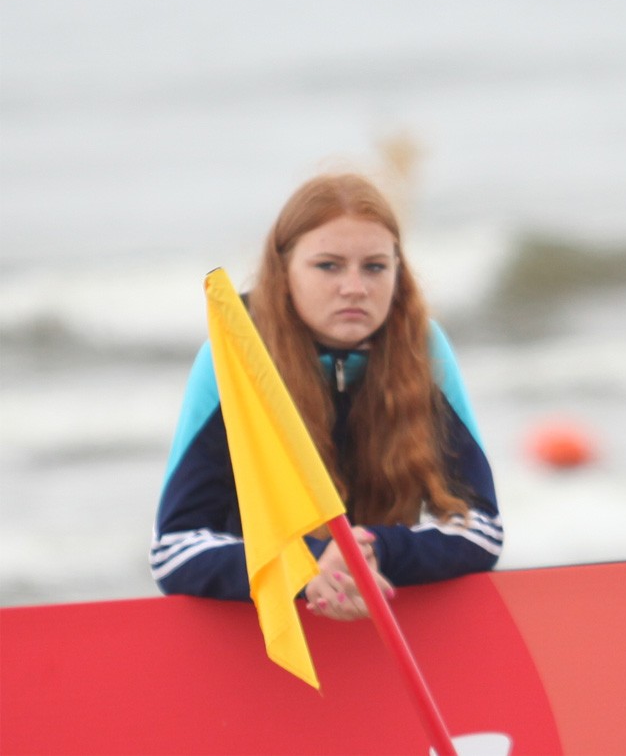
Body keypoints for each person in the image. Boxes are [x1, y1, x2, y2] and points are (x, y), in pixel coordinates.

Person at [150, 173, 503, 621]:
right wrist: (307, 568)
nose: (355, 287)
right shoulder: (235, 356)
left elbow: (482, 530)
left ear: (398, 272)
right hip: (265, 634)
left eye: (375, 267)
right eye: (329, 266)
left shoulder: (422, 347)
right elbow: (174, 550)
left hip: (391, 619)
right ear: (284, 273)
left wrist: (371, 551)